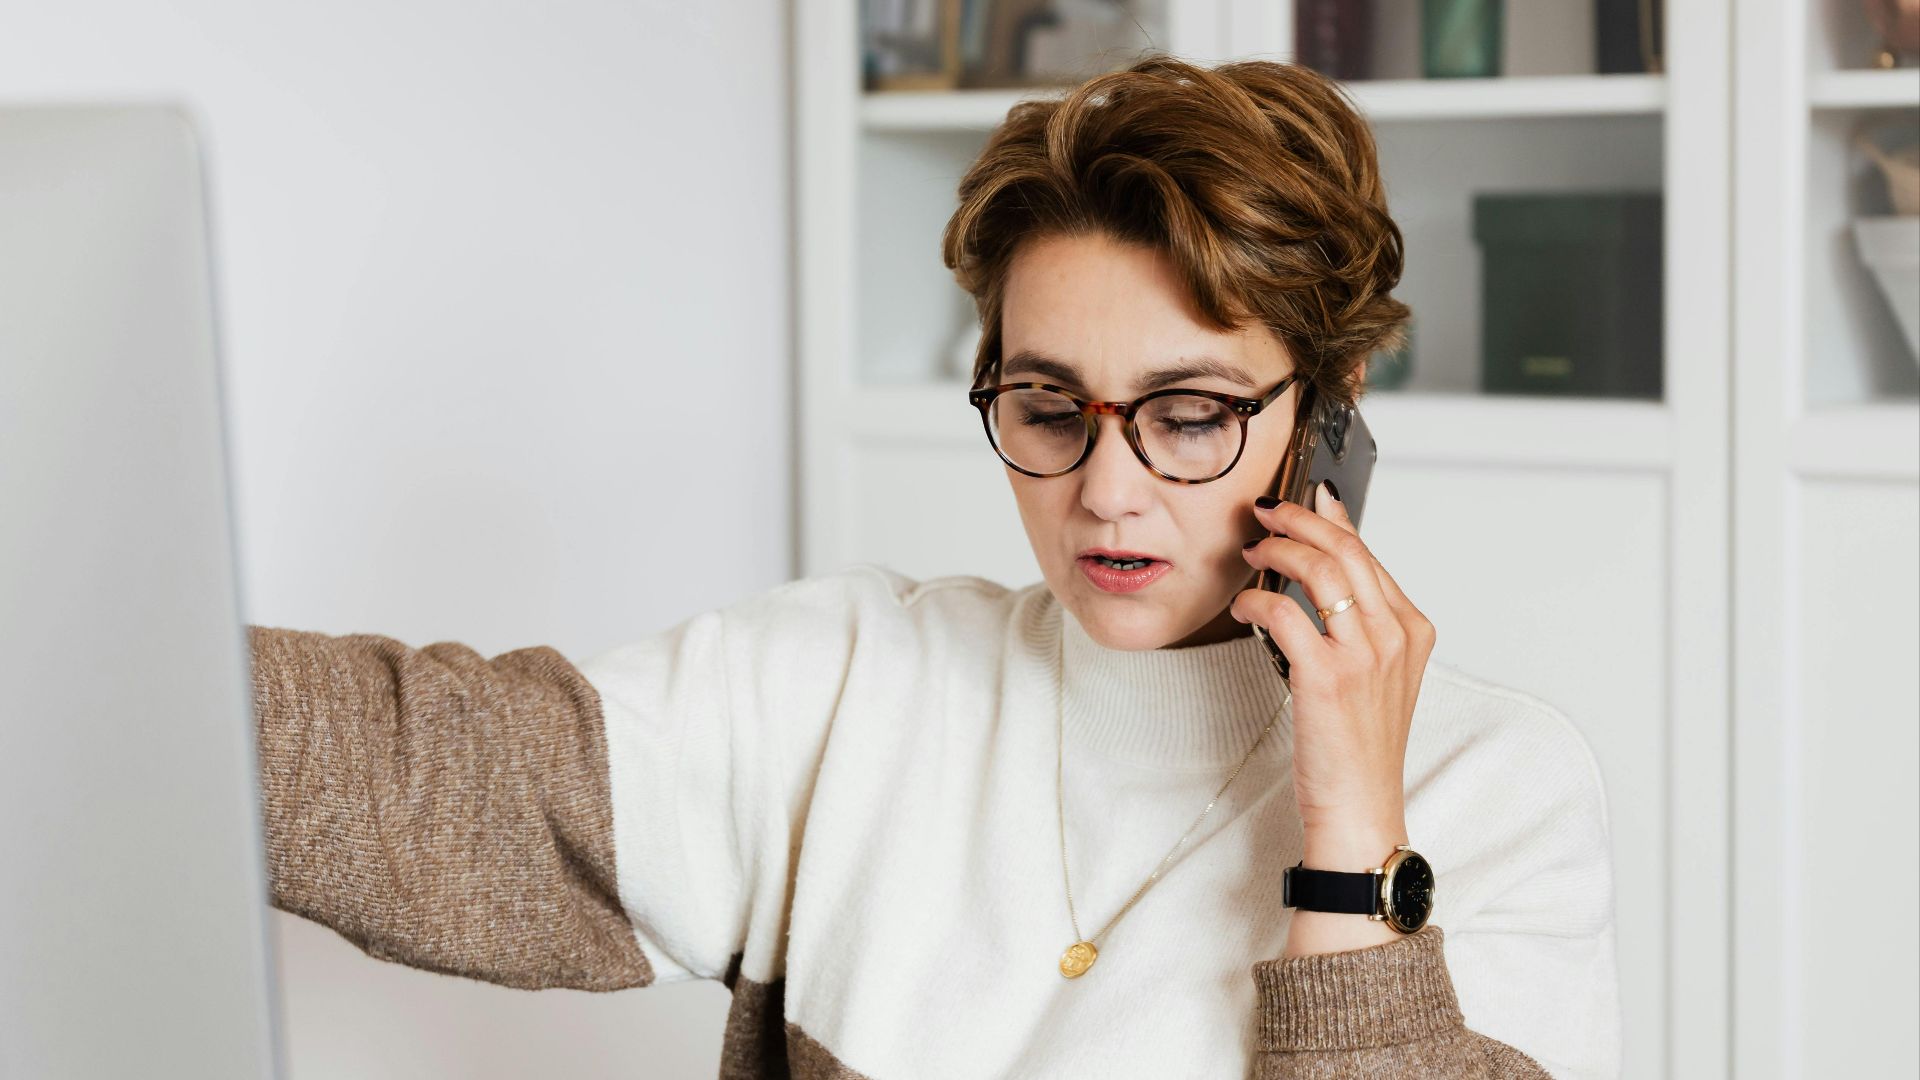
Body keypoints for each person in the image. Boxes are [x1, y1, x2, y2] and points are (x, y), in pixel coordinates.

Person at [247, 55, 1619, 1078]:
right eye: (1046, 404)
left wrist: (1350, 848)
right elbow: (424, 771)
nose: (1107, 490)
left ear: (1329, 410)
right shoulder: (854, 681)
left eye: (1190, 414)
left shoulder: (1495, 790)